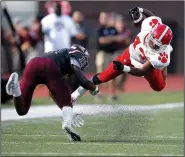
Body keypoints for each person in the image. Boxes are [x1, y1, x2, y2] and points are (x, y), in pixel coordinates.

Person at [71, 7, 173, 102]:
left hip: (145, 64)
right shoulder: (150, 25)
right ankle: (76, 94)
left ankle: (162, 67)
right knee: (105, 76)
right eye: (153, 40)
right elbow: (151, 17)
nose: (152, 44)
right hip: (130, 54)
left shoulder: (158, 57)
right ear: (152, 32)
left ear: (163, 46)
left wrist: (124, 68)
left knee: (159, 87)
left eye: (156, 45)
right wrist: (140, 10)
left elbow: (141, 71)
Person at [6, 44, 99, 141]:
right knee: (67, 96)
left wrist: (66, 111)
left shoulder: (62, 56)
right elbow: (82, 80)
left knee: (22, 110)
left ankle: (15, 88)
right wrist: (94, 88)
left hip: (32, 64)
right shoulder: (77, 54)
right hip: (48, 65)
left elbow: (53, 92)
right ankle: (67, 124)